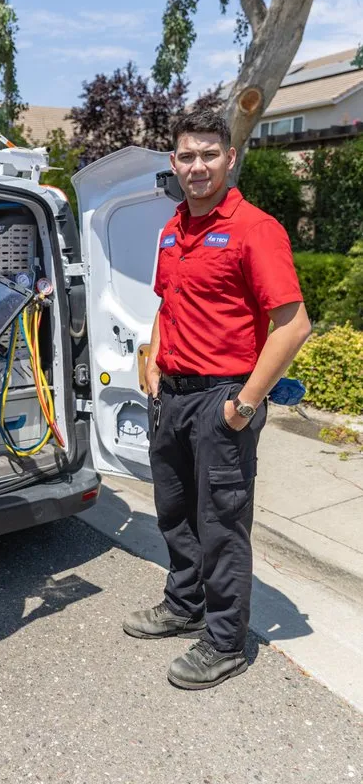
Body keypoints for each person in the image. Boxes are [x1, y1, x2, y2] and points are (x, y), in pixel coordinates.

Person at [122, 109, 311, 690]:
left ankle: (226, 641)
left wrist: (245, 405)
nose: (197, 166)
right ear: (173, 163)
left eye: (209, 154)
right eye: (186, 156)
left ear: (230, 159)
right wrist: (152, 355)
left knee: (222, 523)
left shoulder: (257, 228)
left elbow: (293, 324)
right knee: (175, 512)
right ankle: (185, 603)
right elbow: (167, 304)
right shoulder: (172, 229)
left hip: (222, 400)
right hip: (172, 397)